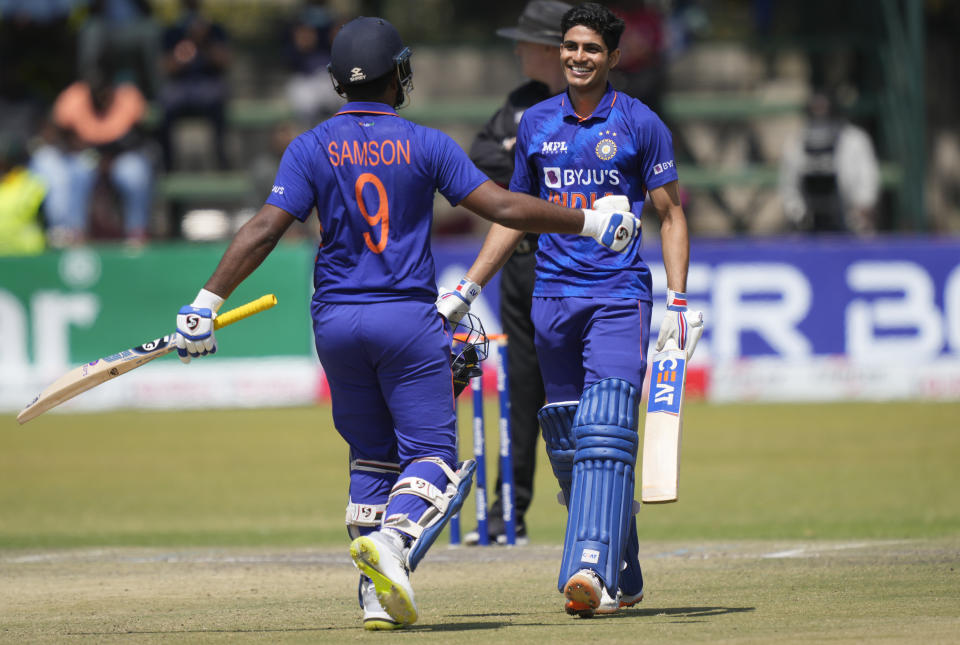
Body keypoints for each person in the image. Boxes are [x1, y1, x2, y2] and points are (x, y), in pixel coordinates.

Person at [171, 16, 640, 631]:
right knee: (434, 462)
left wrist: (205, 303)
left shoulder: (310, 147)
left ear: (339, 82)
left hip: (335, 323)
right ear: (399, 73)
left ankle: (375, 596)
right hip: (403, 319)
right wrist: (588, 221)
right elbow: (500, 206)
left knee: (371, 457)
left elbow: (264, 228)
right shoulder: (426, 143)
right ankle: (393, 544)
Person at [442, 2, 703, 618]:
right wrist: (469, 288)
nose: (578, 57)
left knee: (607, 429)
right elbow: (514, 213)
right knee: (567, 438)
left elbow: (670, 213)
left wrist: (680, 300)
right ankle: (627, 570)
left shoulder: (640, 123)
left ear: (613, 57)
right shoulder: (534, 122)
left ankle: (588, 569)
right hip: (551, 298)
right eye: (571, 47)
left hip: (618, 296)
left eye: (591, 49)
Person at [462, 0, 571, 547]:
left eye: (526, 41)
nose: (517, 49)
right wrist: (527, 156)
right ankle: (510, 509)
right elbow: (482, 161)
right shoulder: (520, 103)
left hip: (573, 265)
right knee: (521, 390)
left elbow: (571, 172)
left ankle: (593, 502)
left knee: (577, 389)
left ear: (553, 49)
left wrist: (526, 157)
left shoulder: (589, 104)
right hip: (521, 263)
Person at [29, 61, 153, 247]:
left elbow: (143, 136)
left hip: (121, 157)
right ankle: (75, 232)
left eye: (105, 90)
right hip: (85, 156)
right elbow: (56, 135)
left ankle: (137, 232)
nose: (101, 96)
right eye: (96, 91)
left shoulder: (128, 96)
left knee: (135, 172)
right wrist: (78, 147)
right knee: (79, 170)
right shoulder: (74, 97)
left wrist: (111, 157)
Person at [779, 90, 880, 234]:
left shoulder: (854, 140)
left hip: (848, 220)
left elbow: (867, 178)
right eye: (815, 109)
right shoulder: (797, 142)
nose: (820, 114)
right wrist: (798, 214)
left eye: (823, 108)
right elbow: (788, 185)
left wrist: (861, 208)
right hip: (809, 224)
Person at [158, 0, 232, 171]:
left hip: (209, 84)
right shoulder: (173, 31)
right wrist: (182, 54)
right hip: (180, 86)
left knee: (219, 97)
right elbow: (166, 67)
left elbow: (225, 62)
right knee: (165, 102)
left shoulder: (215, 30)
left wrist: (203, 42)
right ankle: (168, 164)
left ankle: (221, 160)